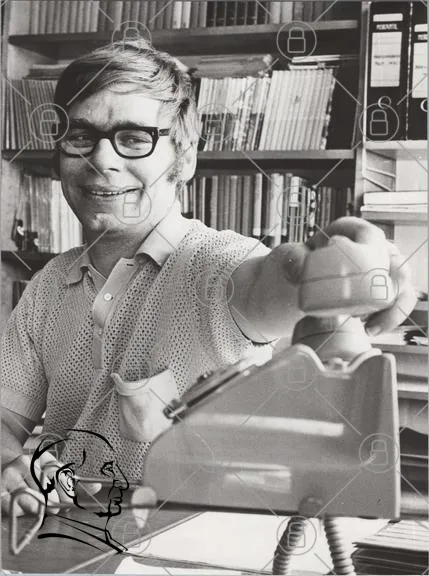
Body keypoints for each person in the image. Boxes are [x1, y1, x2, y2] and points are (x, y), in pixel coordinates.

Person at [1, 38, 417, 518]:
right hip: (67, 541)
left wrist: (350, 255)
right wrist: (12, 463)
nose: (102, 160)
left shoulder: (221, 265)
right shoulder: (48, 284)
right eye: (80, 136)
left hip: (188, 544)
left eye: (133, 138)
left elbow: (280, 277)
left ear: (184, 159)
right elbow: (5, 421)